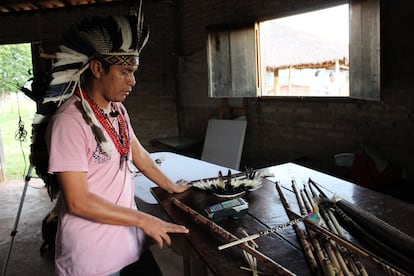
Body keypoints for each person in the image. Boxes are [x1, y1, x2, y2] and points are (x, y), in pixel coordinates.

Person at [31, 9, 190, 276]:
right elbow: (78, 201)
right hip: (92, 260)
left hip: (130, 247)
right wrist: (143, 219)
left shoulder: (117, 110)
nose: (133, 80)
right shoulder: (69, 122)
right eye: (125, 71)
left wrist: (171, 186)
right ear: (97, 68)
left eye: (134, 71)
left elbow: (139, 154)